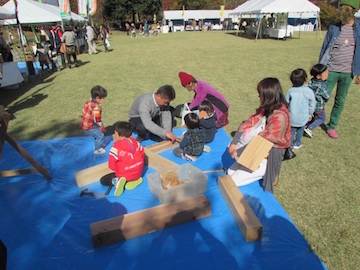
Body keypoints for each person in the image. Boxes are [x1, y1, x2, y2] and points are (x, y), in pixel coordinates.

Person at [228, 78, 291, 193]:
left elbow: (262, 141)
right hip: (256, 148)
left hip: (269, 153)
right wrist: (234, 142)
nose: (259, 97)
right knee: (230, 172)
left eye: (260, 95)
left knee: (233, 180)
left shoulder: (280, 117)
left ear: (268, 96)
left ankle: (269, 171)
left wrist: (238, 152)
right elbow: (248, 122)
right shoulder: (266, 108)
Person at [319, 0, 360, 139]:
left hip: (348, 72)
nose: (342, 12)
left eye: (346, 9)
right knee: (323, 97)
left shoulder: (358, 28)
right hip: (331, 70)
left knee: (340, 100)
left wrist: (358, 72)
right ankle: (313, 121)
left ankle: (332, 126)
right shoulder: (334, 28)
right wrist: (321, 68)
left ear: (354, 10)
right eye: (341, 8)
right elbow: (325, 48)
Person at [109, 121, 145, 197]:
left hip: (124, 175)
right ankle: (135, 181)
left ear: (116, 133)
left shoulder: (115, 148)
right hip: (137, 173)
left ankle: (117, 181)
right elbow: (142, 155)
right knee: (131, 175)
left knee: (104, 180)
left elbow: (112, 166)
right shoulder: (136, 142)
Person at [285, 69, 315, 149]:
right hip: (303, 117)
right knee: (300, 129)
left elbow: (286, 102)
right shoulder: (309, 91)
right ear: (306, 79)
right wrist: (310, 114)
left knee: (291, 131)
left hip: (292, 116)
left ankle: (290, 145)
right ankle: (297, 143)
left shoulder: (290, 91)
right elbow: (312, 105)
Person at [81, 85, 112, 154]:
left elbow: (83, 110)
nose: (104, 100)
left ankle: (98, 144)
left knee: (97, 134)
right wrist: (102, 128)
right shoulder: (96, 108)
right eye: (103, 98)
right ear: (97, 98)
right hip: (89, 126)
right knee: (100, 136)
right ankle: (97, 149)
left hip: (85, 124)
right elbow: (98, 120)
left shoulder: (88, 102)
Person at [304, 64, 331, 138]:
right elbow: (327, 95)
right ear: (319, 76)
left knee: (311, 116)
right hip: (319, 106)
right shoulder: (322, 85)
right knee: (322, 118)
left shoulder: (312, 81)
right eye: (325, 73)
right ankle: (310, 128)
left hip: (309, 104)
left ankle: (303, 126)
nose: (327, 74)